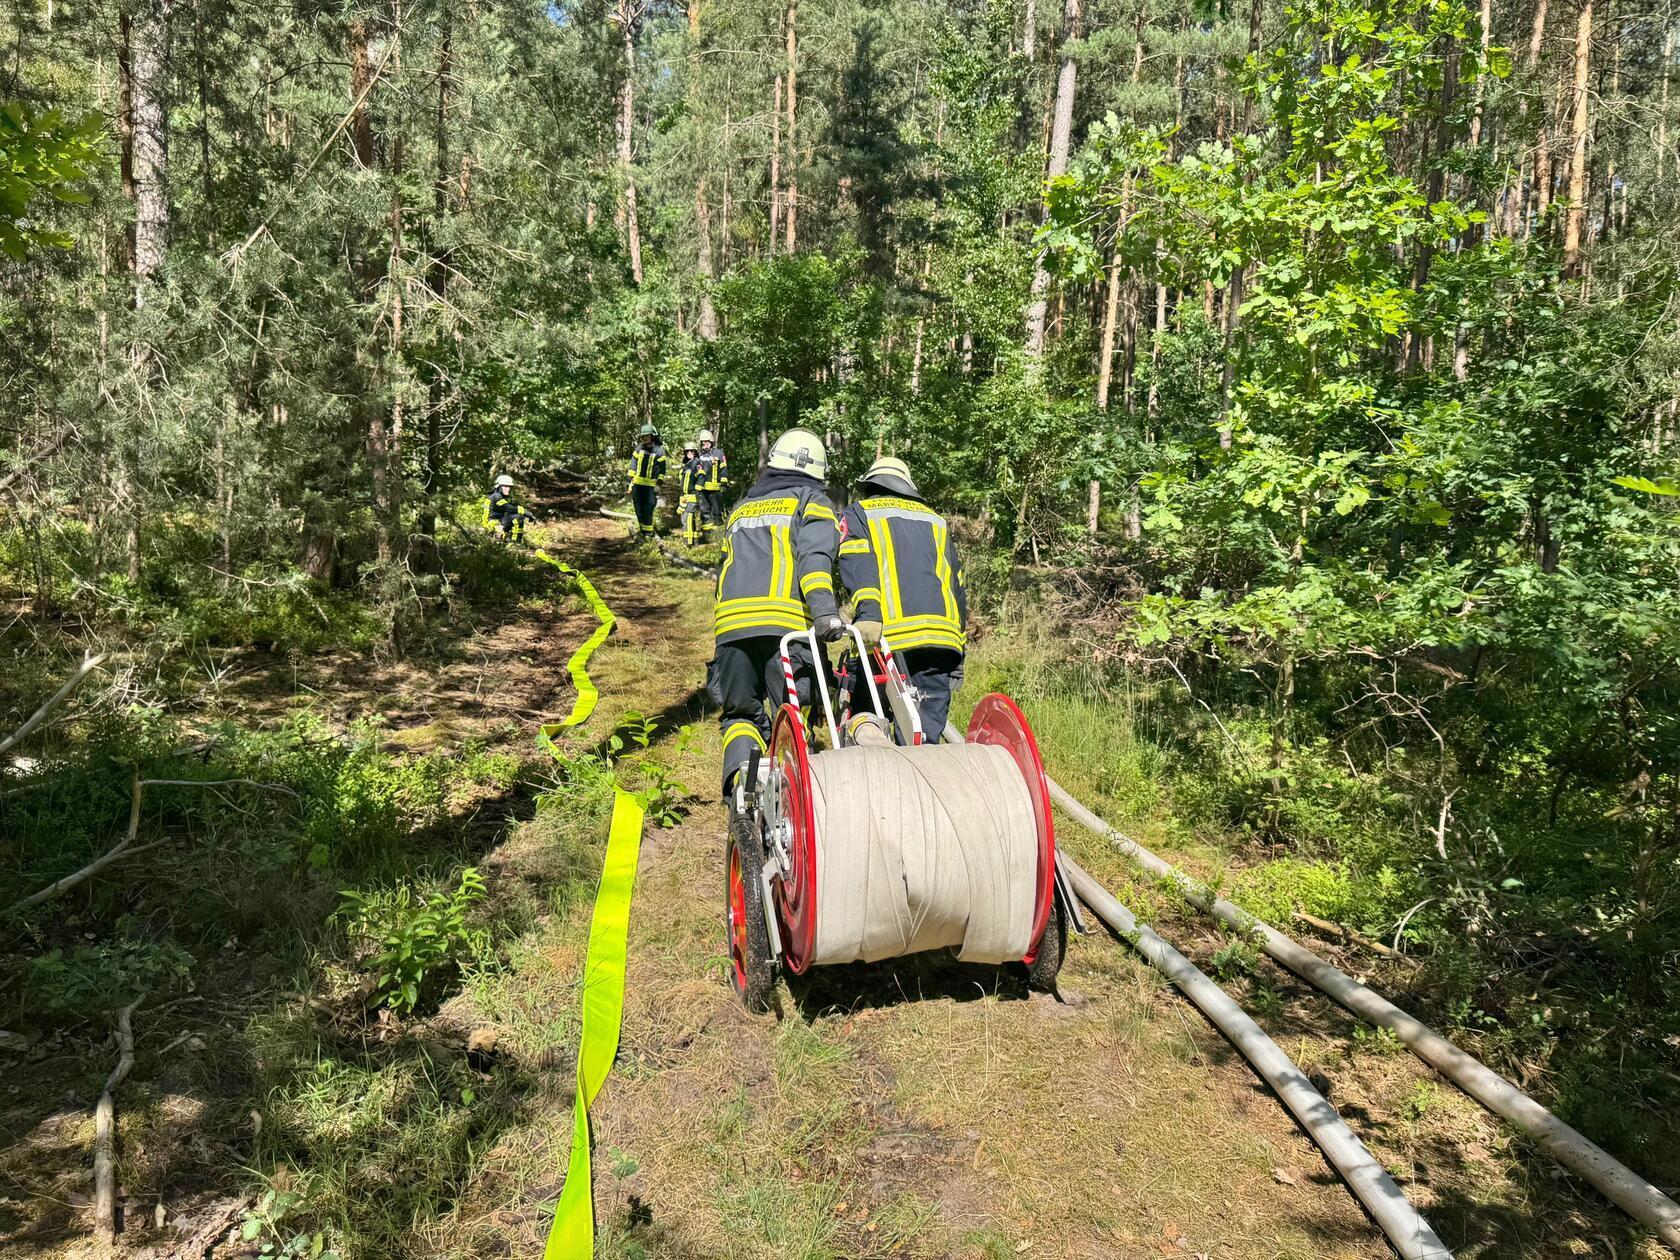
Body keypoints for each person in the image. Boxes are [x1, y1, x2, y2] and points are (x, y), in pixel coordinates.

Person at [709, 428, 844, 799]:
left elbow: (724, 571)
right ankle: (791, 803)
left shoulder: (742, 508)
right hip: (786, 628)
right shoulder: (811, 501)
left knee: (739, 716)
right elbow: (814, 560)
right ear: (816, 474)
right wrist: (824, 615)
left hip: (732, 627)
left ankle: (742, 790)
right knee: (792, 712)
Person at [838, 456, 968, 743]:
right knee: (924, 735)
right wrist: (960, 649)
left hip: (891, 638)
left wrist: (869, 612)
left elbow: (858, 563)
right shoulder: (936, 520)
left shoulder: (859, 512)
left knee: (867, 719)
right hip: (942, 641)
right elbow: (956, 585)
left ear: (870, 486)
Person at [626, 422, 667, 538]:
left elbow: (662, 470)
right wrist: (629, 482)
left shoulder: (659, 450)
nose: (645, 438)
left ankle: (648, 534)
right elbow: (632, 466)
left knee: (648, 509)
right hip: (637, 485)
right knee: (639, 510)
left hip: (650, 486)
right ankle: (643, 532)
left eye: (647, 436)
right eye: (643, 436)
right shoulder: (639, 449)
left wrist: (658, 484)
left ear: (652, 436)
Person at [693, 428, 728, 538]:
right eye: (703, 442)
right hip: (702, 489)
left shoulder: (718, 453)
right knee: (705, 511)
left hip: (715, 489)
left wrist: (723, 484)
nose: (704, 443)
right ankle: (707, 534)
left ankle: (718, 534)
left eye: (706, 441)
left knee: (716, 511)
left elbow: (723, 469)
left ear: (711, 442)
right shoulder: (698, 455)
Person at [483, 474, 529, 542]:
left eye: (510, 487)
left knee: (516, 518)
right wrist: (524, 511)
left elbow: (509, 508)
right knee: (518, 517)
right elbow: (507, 507)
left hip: (498, 521)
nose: (508, 489)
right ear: (499, 486)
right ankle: (514, 542)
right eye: (505, 486)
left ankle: (511, 541)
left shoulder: (501, 497)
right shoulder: (496, 496)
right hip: (491, 523)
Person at [677, 439, 702, 545]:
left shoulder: (697, 463)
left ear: (695, 452)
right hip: (685, 496)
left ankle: (688, 542)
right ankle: (694, 541)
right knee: (688, 519)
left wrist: (696, 491)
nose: (689, 453)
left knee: (686, 518)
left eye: (691, 451)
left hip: (691, 496)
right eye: (687, 451)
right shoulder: (687, 464)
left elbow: (701, 477)